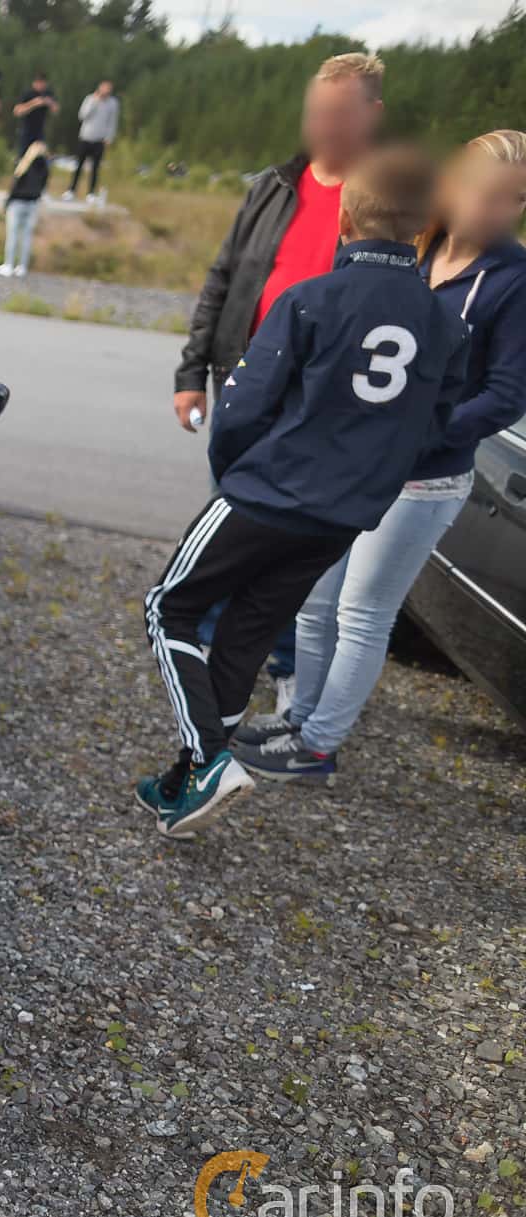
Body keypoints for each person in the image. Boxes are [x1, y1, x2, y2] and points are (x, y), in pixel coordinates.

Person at [135, 146, 467, 838]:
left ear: (345, 217)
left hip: (266, 495)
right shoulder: (442, 323)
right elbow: (438, 426)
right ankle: (185, 782)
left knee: (169, 607)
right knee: (244, 639)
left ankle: (207, 759)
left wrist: (235, 476)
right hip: (341, 516)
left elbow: (242, 406)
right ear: (422, 228)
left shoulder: (312, 299)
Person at [233, 130, 526, 783]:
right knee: (315, 599)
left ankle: (318, 746)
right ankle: (298, 717)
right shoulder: (415, 251)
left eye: (517, 201)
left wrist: (420, 435)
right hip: (359, 468)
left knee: (364, 611)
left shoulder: (514, 281)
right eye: (488, 193)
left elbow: (506, 394)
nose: (500, 211)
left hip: (423, 480)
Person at [173, 52, 387, 707]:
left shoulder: (386, 199)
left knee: (297, 548)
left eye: (338, 114)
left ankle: (286, 666)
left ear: (372, 115)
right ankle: (207, 656)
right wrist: (191, 372)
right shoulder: (275, 185)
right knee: (229, 523)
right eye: (316, 112)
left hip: (322, 403)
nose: (322, 126)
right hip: (246, 384)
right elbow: (223, 276)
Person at [0, 140, 50, 278]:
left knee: (13, 235)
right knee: (26, 237)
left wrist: (8, 201)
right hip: (32, 204)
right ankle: (22, 267)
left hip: (18, 203)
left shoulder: (24, 164)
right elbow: (43, 187)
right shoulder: (45, 168)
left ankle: (9, 264)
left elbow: (15, 186)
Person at [67, 80, 117, 199]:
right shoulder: (90, 99)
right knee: (78, 166)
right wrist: (95, 102)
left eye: (108, 89)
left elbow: (112, 121)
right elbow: (83, 115)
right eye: (104, 88)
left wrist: (109, 137)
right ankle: (71, 191)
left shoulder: (113, 103)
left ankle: (91, 193)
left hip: (100, 139)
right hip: (85, 137)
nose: (106, 91)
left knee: (95, 168)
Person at [13, 74, 58, 150]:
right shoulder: (28, 94)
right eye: (39, 83)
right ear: (34, 83)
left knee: (39, 155)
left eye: (43, 83)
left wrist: (50, 103)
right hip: (26, 130)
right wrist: (34, 103)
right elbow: (17, 111)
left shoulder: (48, 93)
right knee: (24, 154)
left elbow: (56, 110)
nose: (41, 85)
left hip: (40, 131)